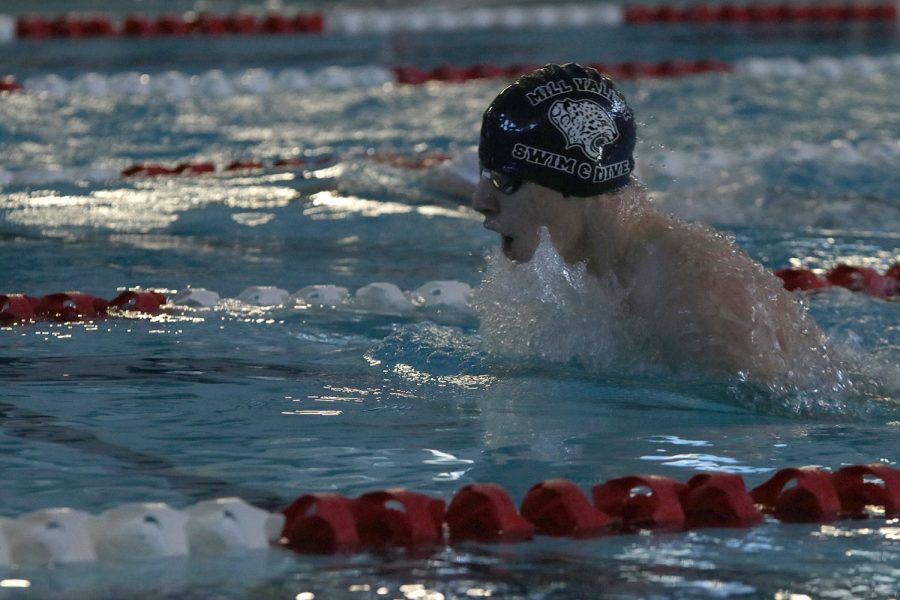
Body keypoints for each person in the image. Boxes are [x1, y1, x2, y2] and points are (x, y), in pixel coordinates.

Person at [471, 63, 834, 384]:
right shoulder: (607, 271)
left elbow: (778, 436)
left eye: (503, 180)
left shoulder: (694, 295)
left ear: (570, 180)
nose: (480, 202)